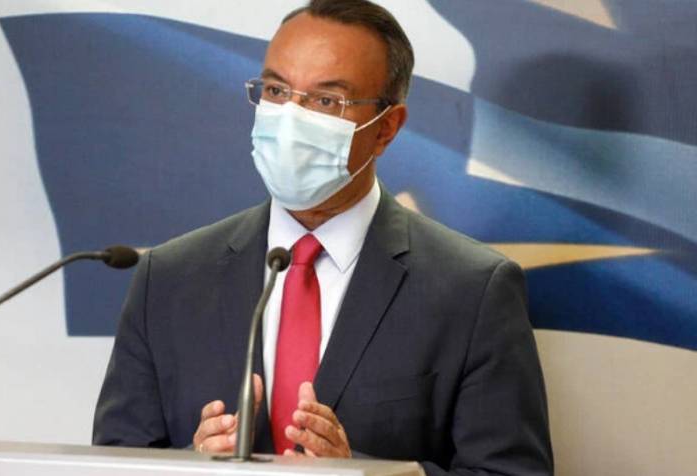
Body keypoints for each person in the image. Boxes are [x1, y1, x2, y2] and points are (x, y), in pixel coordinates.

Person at [93, 1, 554, 474]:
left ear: (386, 128)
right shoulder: (168, 279)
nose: (290, 118)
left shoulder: (473, 290)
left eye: (326, 100)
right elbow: (114, 463)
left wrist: (365, 473)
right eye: (276, 90)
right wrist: (194, 465)